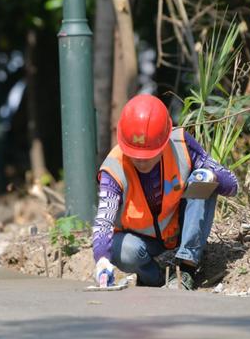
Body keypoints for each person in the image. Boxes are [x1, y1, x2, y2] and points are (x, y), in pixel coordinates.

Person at [93, 94, 238, 289]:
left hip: (178, 228)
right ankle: (155, 278)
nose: (141, 161)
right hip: (138, 240)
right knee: (125, 250)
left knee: (203, 179)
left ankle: (185, 269)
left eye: (149, 154)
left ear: (163, 143)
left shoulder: (181, 145)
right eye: (135, 154)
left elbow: (232, 185)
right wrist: (102, 259)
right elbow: (104, 219)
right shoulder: (113, 167)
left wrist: (211, 176)